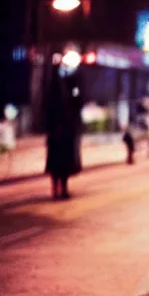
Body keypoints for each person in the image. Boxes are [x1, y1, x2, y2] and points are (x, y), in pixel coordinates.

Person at [45, 66, 82, 200]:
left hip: (64, 131)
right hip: (59, 132)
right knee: (58, 162)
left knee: (62, 162)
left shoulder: (70, 87)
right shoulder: (56, 90)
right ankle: (57, 189)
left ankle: (61, 189)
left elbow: (77, 102)